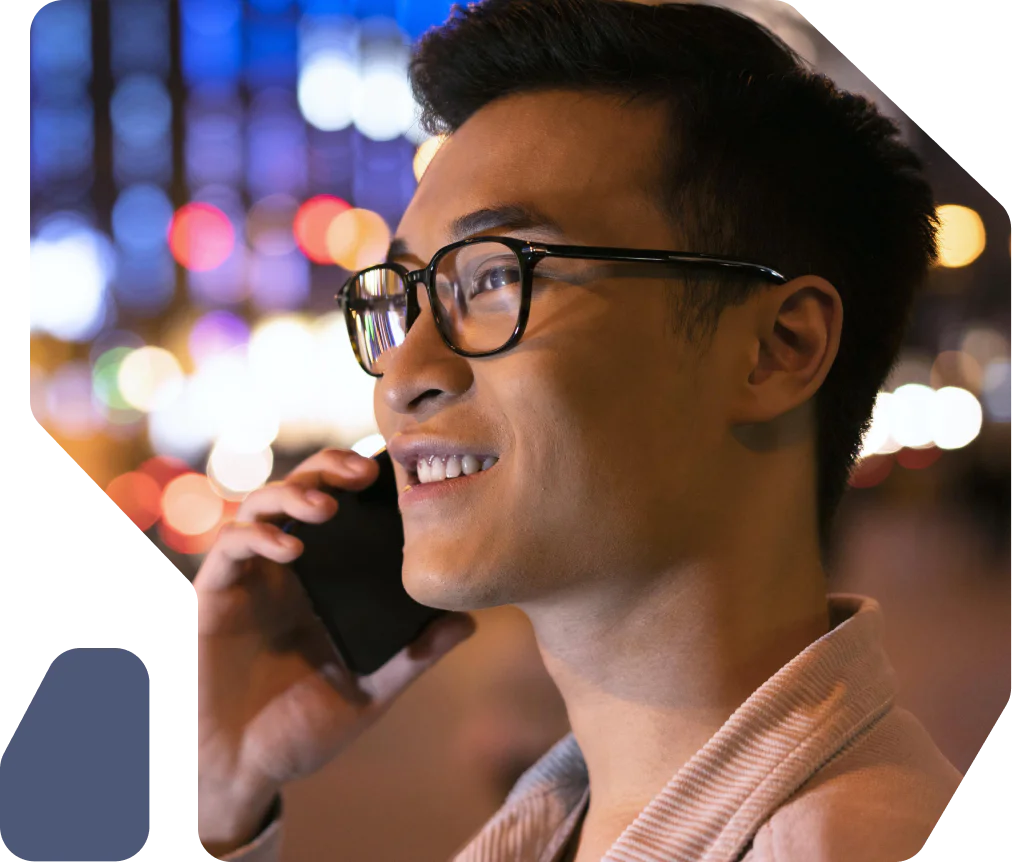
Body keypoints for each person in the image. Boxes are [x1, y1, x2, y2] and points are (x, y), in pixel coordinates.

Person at [194, 2, 963, 860]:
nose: (403, 376)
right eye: (405, 297)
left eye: (494, 277)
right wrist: (222, 793)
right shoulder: (560, 823)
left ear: (779, 347)